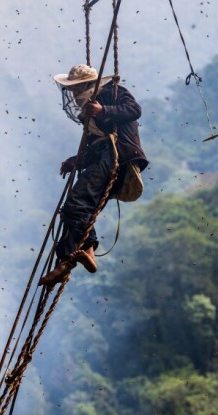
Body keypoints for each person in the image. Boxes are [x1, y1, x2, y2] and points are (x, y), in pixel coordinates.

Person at [39, 64, 149, 286]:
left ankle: (85, 249)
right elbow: (95, 146)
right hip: (103, 156)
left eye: (75, 88)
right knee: (73, 211)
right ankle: (70, 258)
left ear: (84, 85)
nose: (72, 93)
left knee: (77, 203)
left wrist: (104, 111)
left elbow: (135, 109)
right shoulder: (89, 114)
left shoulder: (111, 92)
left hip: (118, 156)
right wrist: (75, 162)